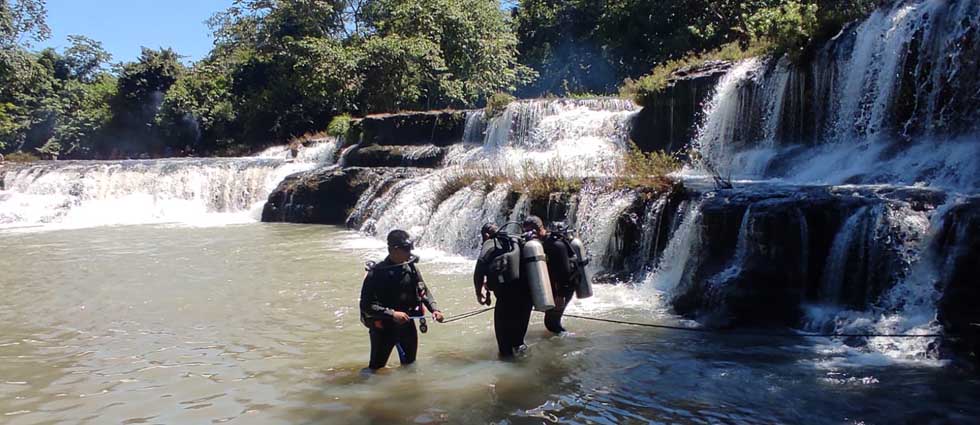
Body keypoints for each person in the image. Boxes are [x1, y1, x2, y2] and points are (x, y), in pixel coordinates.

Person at [359, 229, 444, 370]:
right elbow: (366, 306)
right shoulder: (376, 273)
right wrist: (392, 314)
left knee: (410, 367)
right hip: (383, 329)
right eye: (406, 249)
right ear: (394, 249)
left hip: (407, 326)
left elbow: (424, 291)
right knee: (376, 369)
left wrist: (435, 309)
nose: (409, 253)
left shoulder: (411, 268)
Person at [473, 223, 532, 358]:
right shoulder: (517, 241)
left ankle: (508, 373)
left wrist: (479, 293)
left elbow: (479, 271)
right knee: (518, 343)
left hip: (506, 300)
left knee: (505, 348)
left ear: (486, 235)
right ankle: (524, 367)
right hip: (526, 299)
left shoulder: (489, 243)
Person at [523, 216, 576, 335]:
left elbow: (565, 272)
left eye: (529, 231)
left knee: (551, 323)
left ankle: (571, 341)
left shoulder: (556, 245)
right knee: (551, 322)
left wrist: (561, 296)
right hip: (555, 286)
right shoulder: (540, 244)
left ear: (537, 229)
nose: (528, 234)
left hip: (565, 287)